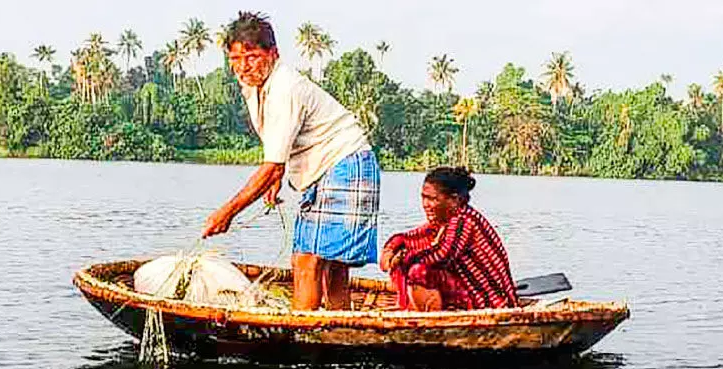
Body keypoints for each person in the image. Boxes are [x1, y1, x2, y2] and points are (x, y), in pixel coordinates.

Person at [201, 12, 379, 311]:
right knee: (327, 265)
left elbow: (271, 164)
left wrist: (227, 213)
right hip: (327, 169)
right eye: (235, 58)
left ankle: (302, 336)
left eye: (252, 56)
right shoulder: (252, 86)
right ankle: (336, 329)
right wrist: (276, 178)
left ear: (273, 54)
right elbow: (277, 151)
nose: (243, 67)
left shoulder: (285, 88)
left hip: (345, 164)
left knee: (308, 260)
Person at [380, 167, 517, 311]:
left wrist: (402, 259)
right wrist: (390, 249)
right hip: (470, 295)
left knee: (418, 271)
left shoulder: (464, 221)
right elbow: (408, 238)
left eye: (432, 199)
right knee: (411, 261)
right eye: (423, 197)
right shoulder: (444, 221)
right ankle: (411, 308)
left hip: (488, 302)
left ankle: (426, 318)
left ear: (454, 200)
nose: (425, 205)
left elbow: (442, 255)